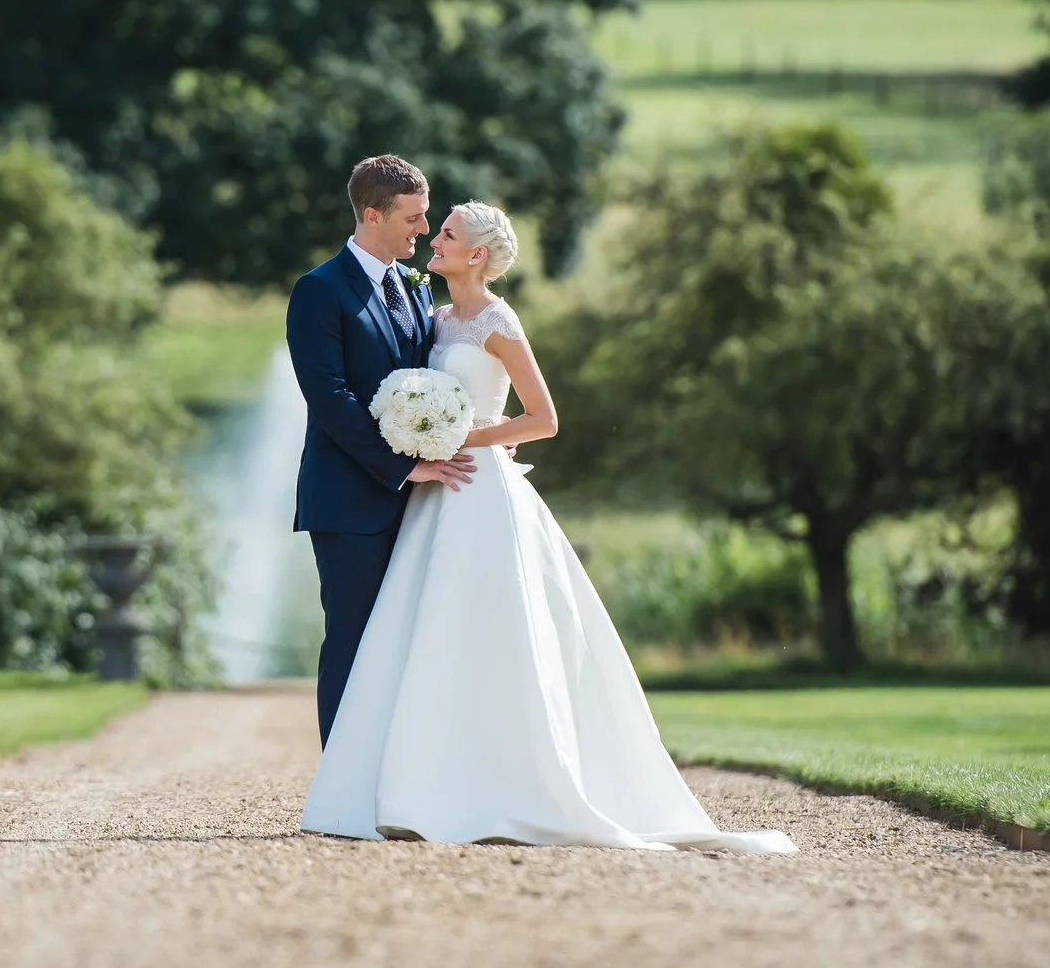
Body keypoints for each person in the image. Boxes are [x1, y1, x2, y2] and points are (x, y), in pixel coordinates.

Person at [300, 197, 797, 854]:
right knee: (425, 636)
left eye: (445, 232)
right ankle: (412, 787)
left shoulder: (499, 321)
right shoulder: (434, 315)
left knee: (489, 633)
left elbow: (543, 418)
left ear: (476, 254)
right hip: (431, 497)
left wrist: (464, 435)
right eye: (433, 226)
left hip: (479, 490)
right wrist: (421, 436)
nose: (433, 238)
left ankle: (504, 783)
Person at [285, 156, 476, 747]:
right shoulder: (318, 291)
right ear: (372, 215)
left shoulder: (415, 288)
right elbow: (329, 396)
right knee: (354, 639)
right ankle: (341, 795)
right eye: (414, 218)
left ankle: (395, 780)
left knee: (408, 642)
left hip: (418, 504)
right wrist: (403, 465)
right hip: (348, 502)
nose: (424, 229)